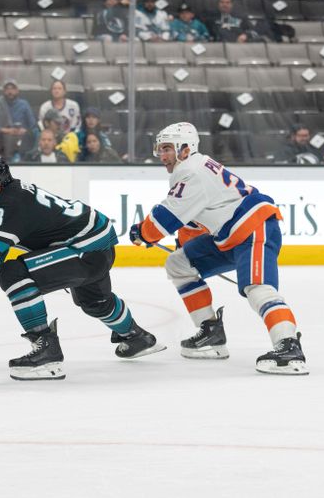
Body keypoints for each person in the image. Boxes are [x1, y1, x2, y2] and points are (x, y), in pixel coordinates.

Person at [0, 154, 165, 381]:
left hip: (86, 249)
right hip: (94, 243)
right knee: (94, 300)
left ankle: (46, 348)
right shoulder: (11, 196)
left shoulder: (8, 207)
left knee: (14, 273)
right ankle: (138, 337)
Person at [129, 122, 308, 375]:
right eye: (160, 149)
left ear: (185, 149)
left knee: (257, 288)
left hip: (252, 227)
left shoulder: (191, 173)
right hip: (228, 235)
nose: (162, 155)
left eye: (168, 148)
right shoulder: (194, 168)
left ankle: (289, 347)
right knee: (179, 263)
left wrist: (142, 232)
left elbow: (162, 221)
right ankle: (211, 332)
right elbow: (191, 221)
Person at [0, 79, 37, 161]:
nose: (10, 91)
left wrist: (24, 130)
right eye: (7, 89)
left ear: (17, 91)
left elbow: (33, 126)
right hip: (1, 144)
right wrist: (6, 130)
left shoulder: (24, 104)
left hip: (21, 141)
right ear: (4, 91)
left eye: (12, 89)